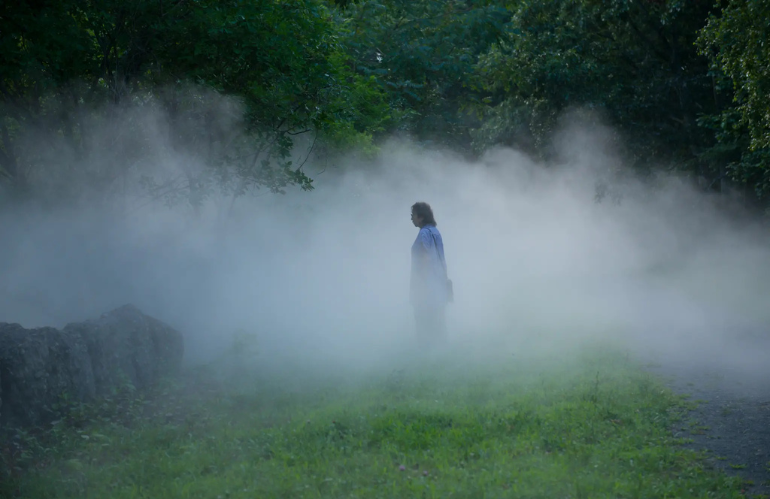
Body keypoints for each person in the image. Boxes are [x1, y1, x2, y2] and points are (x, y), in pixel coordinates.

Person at [410, 201, 452, 348]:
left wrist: (419, 283)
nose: (411, 218)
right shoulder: (435, 231)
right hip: (439, 280)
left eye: (413, 215)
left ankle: (426, 350)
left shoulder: (423, 234)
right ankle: (442, 349)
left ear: (421, 217)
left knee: (423, 316)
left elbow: (425, 258)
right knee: (439, 316)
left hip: (426, 282)